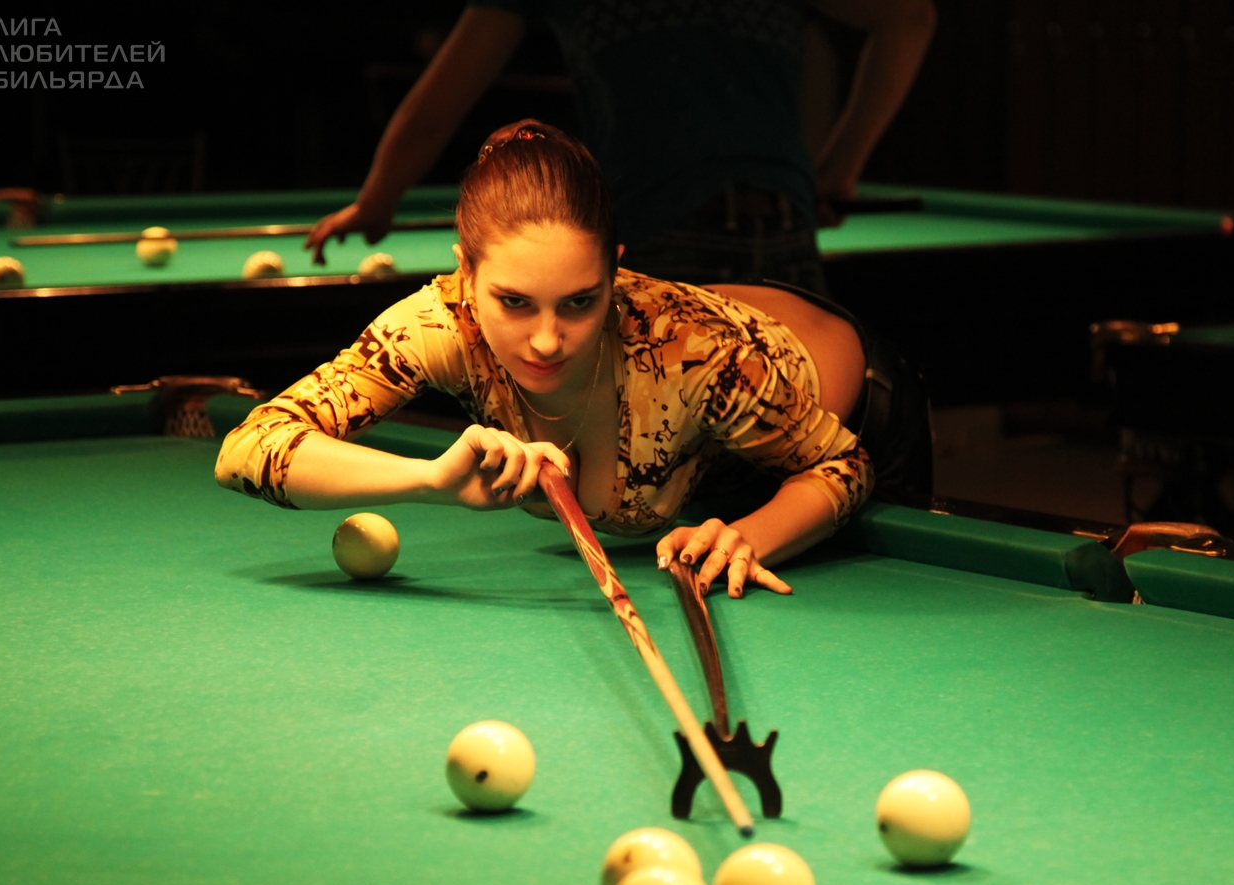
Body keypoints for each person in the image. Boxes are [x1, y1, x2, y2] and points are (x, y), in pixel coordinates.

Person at [222, 122, 932, 598]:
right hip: (718, 443)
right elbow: (249, 449)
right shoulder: (440, 325)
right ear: (465, 273)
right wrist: (431, 480)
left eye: (580, 302)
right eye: (514, 302)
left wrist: (751, 536)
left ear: (615, 272)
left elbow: (844, 465)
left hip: (855, 399)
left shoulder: (688, 355)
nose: (546, 340)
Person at [304, 1, 937, 291]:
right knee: (785, 458)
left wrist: (377, 202)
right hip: (784, 230)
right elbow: (911, 18)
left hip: (657, 235)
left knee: (655, 475)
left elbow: (437, 107)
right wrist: (839, 170)